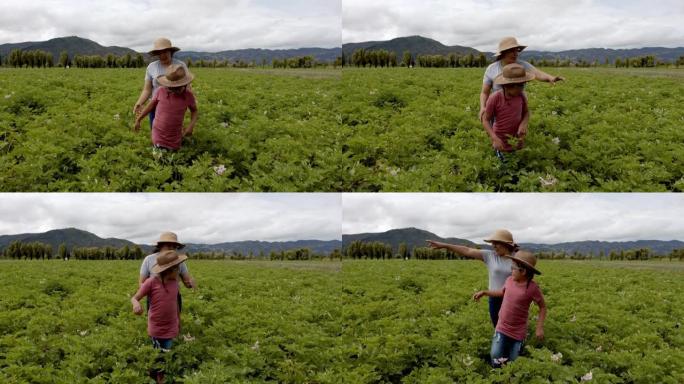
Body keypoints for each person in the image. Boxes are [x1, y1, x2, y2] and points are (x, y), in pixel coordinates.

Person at [427, 229, 517, 327]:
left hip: (512, 298)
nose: (493, 246)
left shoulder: (518, 258)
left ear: (506, 244)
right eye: (492, 243)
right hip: (494, 299)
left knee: (513, 327)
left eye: (496, 243)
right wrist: (446, 245)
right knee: (498, 326)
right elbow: (467, 250)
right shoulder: (490, 256)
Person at [473, 250, 546, 368]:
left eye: (513, 268)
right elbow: (502, 293)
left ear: (523, 271)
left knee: (513, 360)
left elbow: (542, 307)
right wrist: (485, 292)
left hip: (518, 331)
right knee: (495, 354)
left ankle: (509, 377)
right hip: (502, 326)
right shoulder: (509, 280)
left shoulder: (532, 288)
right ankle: (497, 375)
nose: (510, 270)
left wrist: (539, 327)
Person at [479, 36, 564, 122]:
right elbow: (484, 92)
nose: (515, 53)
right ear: (503, 53)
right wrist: (483, 107)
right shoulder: (492, 68)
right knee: (497, 131)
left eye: (517, 50)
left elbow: (537, 73)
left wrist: (550, 78)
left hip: (517, 108)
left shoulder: (522, 65)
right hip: (498, 109)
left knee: (516, 131)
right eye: (512, 51)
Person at [134, 64, 198, 150]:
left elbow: (194, 111)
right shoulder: (160, 91)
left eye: (178, 87)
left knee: (172, 156)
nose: (175, 90)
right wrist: (139, 119)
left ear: (185, 84)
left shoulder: (188, 95)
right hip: (158, 133)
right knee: (157, 152)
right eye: (172, 88)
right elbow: (150, 106)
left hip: (174, 136)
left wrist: (191, 126)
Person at [133, 38, 190, 129]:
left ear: (170, 51)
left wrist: (187, 105)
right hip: (155, 105)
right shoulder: (151, 67)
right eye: (159, 52)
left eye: (165, 51)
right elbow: (147, 89)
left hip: (175, 105)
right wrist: (139, 102)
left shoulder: (180, 65)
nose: (162, 55)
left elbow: (187, 87)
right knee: (155, 129)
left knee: (174, 130)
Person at [482, 63, 534, 155]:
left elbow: (526, 112)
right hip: (500, 141)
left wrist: (523, 124)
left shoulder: (521, 96)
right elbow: (485, 120)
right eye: (519, 85)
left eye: (523, 84)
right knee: (504, 166)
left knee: (517, 164)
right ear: (507, 85)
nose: (522, 88)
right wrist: (494, 138)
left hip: (517, 139)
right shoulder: (495, 98)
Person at [139, 232, 195, 312]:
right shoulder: (149, 259)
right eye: (168, 245)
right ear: (161, 246)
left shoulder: (179, 260)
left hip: (173, 298)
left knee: (174, 321)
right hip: (154, 299)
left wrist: (191, 284)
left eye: (174, 246)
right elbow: (141, 283)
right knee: (155, 321)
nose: (172, 248)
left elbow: (187, 283)